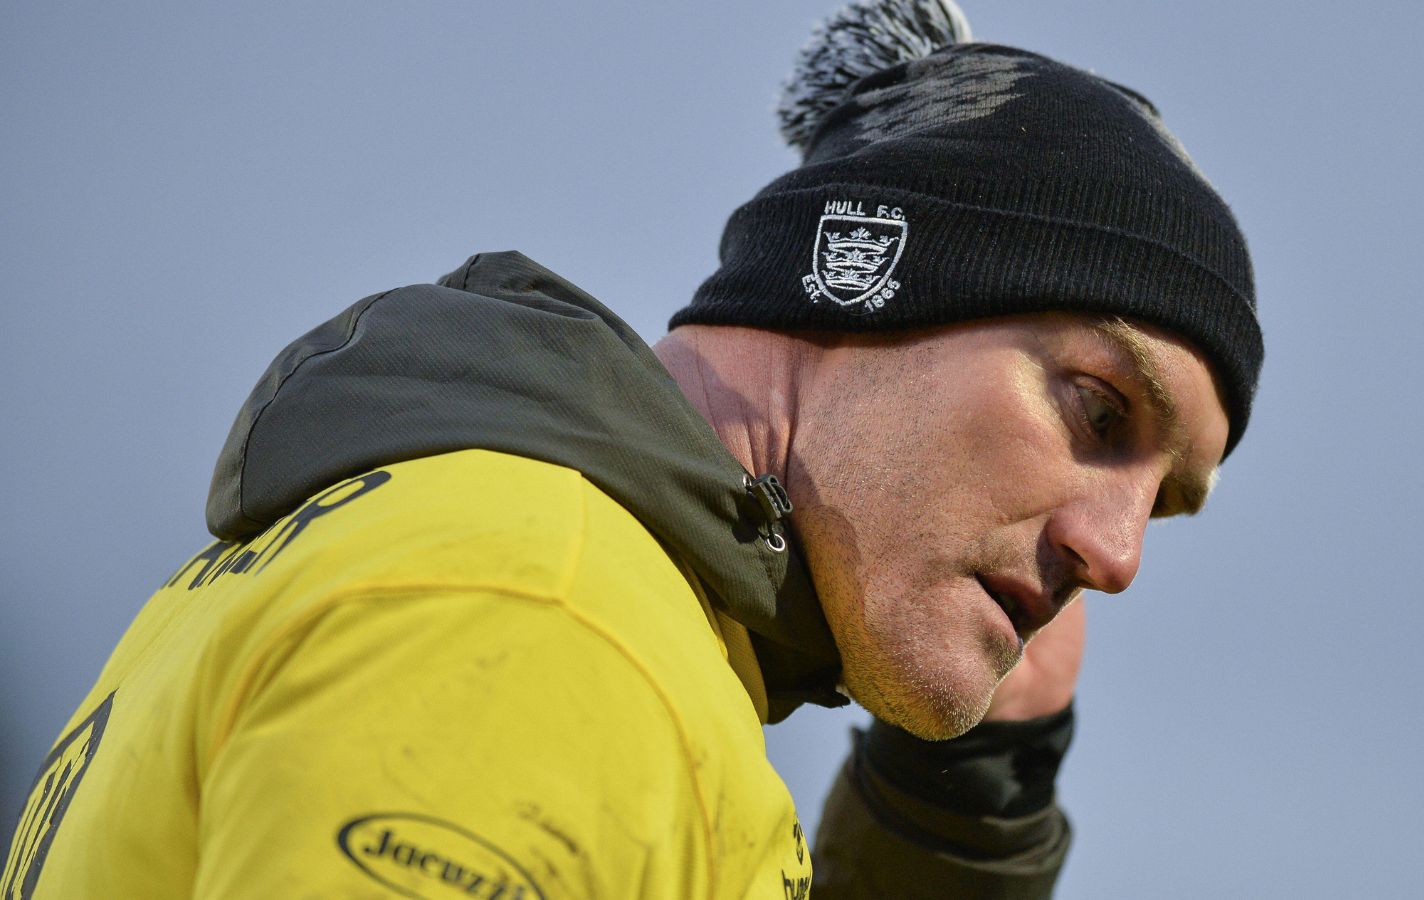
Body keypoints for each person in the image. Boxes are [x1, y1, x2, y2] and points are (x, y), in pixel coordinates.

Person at [1, 0, 1261, 896]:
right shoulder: (539, 624)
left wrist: (962, 808)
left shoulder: (546, 590)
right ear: (870, 279)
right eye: (1100, 413)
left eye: (1163, 500)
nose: (1116, 555)